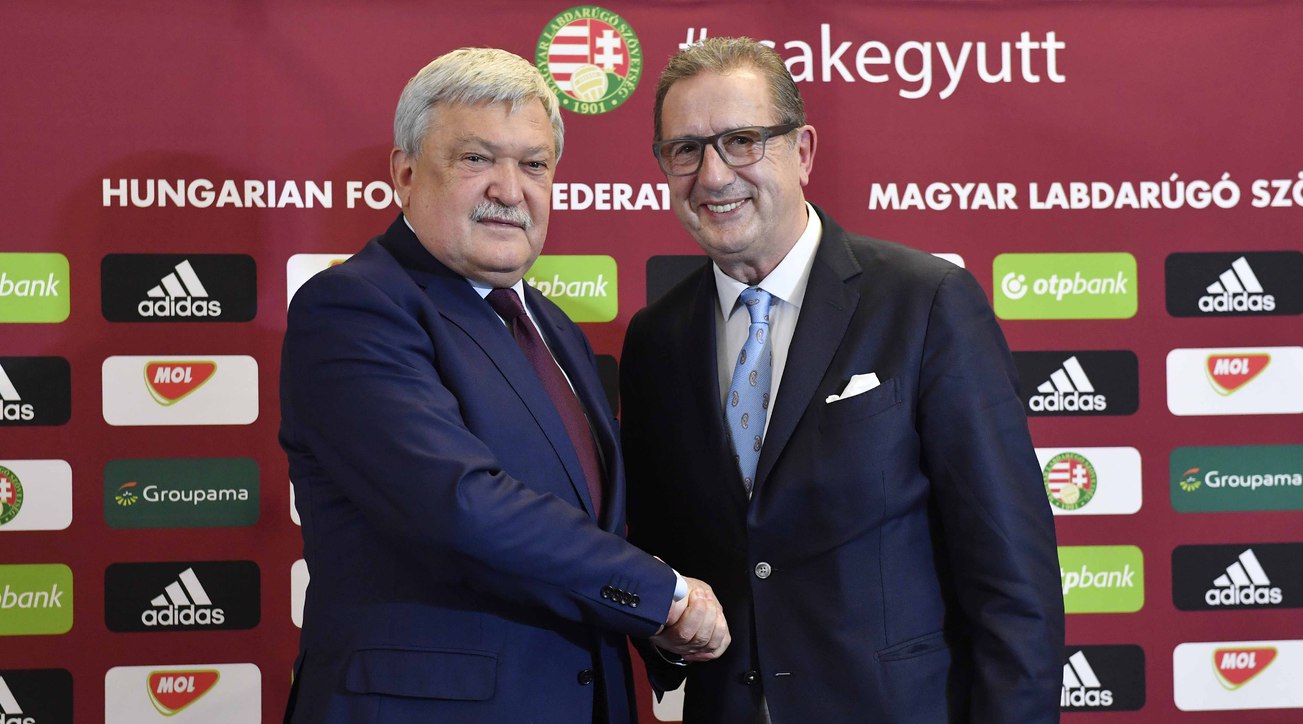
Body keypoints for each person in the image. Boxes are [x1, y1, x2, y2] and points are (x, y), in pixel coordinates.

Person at [620, 37, 1063, 723]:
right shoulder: (656, 341)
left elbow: (1012, 580)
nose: (712, 175)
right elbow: (660, 557)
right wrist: (668, 637)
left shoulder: (925, 303)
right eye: (685, 150)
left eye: (741, 141)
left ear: (801, 151)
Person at [279, 47, 728, 724]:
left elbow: (589, 524)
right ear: (405, 174)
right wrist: (664, 597)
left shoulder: (551, 326)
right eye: (476, 159)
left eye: (534, 164)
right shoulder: (353, 308)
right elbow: (459, 505)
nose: (510, 190)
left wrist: (658, 627)